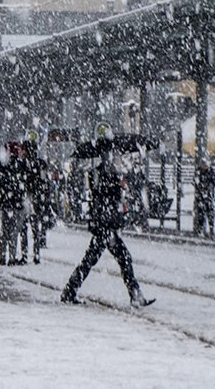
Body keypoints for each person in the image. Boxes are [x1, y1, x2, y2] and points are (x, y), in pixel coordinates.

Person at [61, 126, 154, 308]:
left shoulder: (108, 171)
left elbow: (106, 193)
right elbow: (101, 193)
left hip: (107, 222)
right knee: (102, 259)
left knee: (111, 258)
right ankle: (70, 290)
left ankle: (71, 290)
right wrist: (116, 185)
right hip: (104, 223)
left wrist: (119, 185)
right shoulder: (100, 172)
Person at [0, 142, 28, 266]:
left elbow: (2, 184)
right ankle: (12, 256)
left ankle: (3, 256)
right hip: (17, 203)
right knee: (14, 231)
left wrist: (3, 199)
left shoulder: (5, 166)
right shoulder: (21, 165)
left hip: (7, 203)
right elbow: (23, 185)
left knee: (5, 230)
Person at [195, 158, 215, 236]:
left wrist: (209, 188)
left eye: (205, 165)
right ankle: (200, 229)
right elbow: (196, 182)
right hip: (201, 196)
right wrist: (201, 189)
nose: (204, 166)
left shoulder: (210, 172)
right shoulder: (198, 172)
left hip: (208, 195)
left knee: (209, 212)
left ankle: (210, 229)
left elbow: (214, 181)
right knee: (201, 213)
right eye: (203, 165)